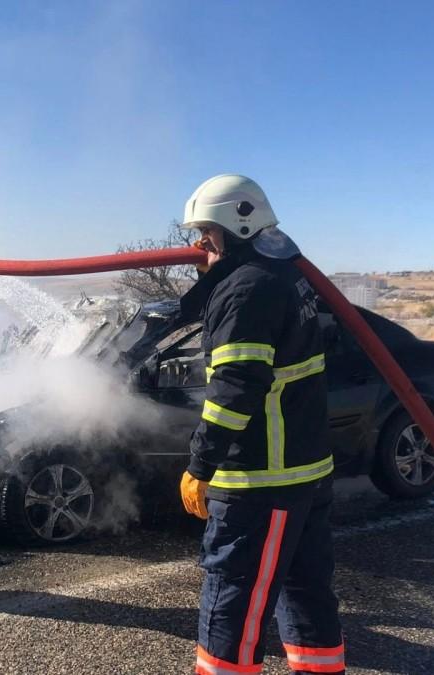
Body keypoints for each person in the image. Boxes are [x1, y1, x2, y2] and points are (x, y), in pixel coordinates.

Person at [178, 176, 345, 674]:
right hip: (304, 473)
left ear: (237, 225)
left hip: (260, 481)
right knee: (306, 592)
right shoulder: (284, 274)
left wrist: (200, 465)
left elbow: (234, 390)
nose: (200, 242)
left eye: (207, 230)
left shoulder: (247, 289)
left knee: (233, 600)